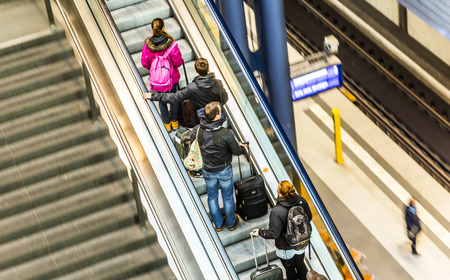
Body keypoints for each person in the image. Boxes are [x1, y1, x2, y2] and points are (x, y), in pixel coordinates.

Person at [192, 101, 246, 231]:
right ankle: (231, 223)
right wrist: (242, 148)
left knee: (212, 197)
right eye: (220, 112)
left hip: (207, 169)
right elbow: (236, 152)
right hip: (224, 169)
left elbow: (194, 147)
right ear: (216, 117)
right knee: (227, 197)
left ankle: (218, 224)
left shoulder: (197, 130)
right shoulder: (225, 133)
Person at [252, 181, 312, 280]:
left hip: (285, 247)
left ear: (280, 194)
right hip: (301, 241)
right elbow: (308, 218)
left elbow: (274, 233)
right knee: (301, 266)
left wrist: (260, 232)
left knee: (290, 270)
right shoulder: (301, 200)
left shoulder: (276, 211)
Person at [144, 57, 228, 119]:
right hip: (218, 115)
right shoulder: (218, 83)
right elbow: (224, 98)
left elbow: (173, 97)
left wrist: (153, 96)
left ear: (196, 71)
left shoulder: (191, 88)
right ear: (208, 69)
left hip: (203, 117)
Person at [141, 18, 183, 132]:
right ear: (163, 28)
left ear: (152, 29)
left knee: (161, 100)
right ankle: (175, 123)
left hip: (157, 81)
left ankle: (166, 124)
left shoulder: (147, 46)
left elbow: (144, 63)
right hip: (171, 79)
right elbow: (178, 62)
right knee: (174, 99)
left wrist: (155, 70)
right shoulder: (171, 44)